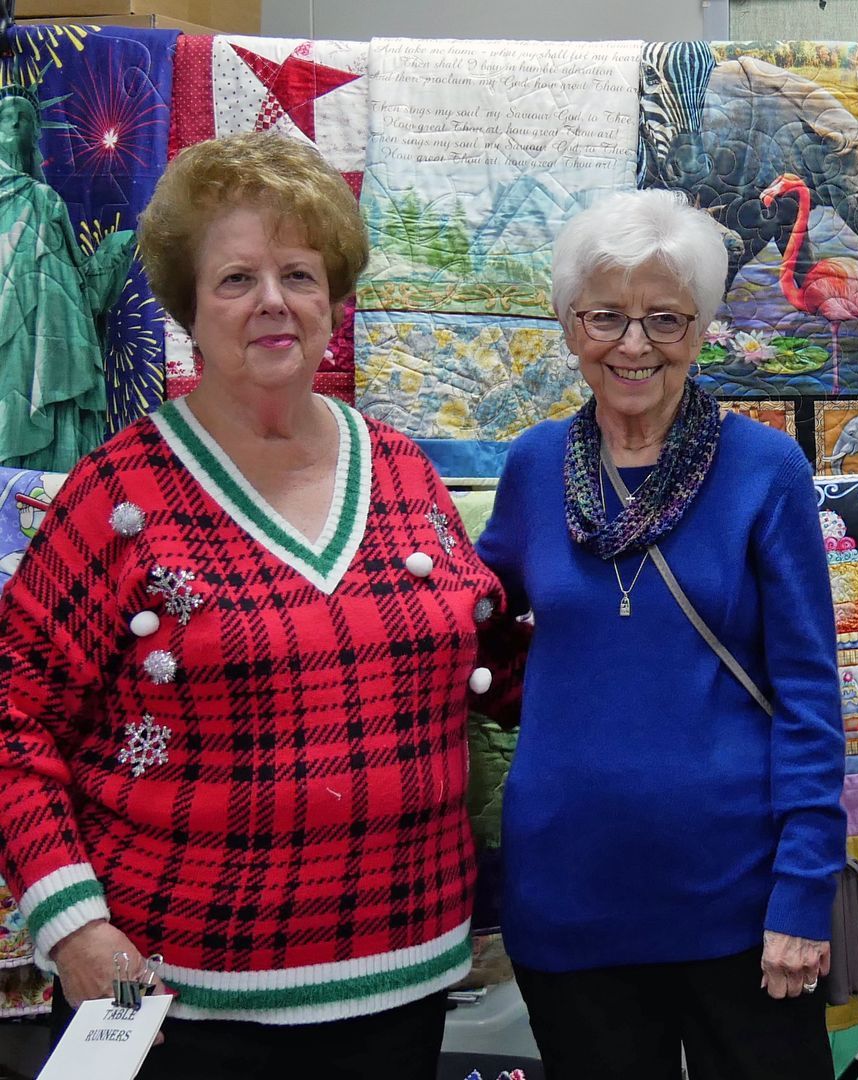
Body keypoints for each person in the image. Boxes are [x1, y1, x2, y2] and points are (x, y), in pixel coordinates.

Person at [0, 131, 502, 1076]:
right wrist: (72, 927)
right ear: (188, 308)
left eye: (299, 274)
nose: (273, 300)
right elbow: (11, 716)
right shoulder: (117, 497)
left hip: (405, 982)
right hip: (172, 998)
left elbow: (491, 662)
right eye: (236, 279)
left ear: (333, 300)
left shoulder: (405, 473)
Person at [475, 188, 844, 1079]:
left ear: (703, 328)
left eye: (666, 319)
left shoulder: (764, 468)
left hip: (739, 902)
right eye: (606, 316)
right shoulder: (532, 467)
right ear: (569, 325)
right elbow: (468, 621)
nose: (634, 345)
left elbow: (809, 694)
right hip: (568, 896)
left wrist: (804, 890)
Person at [0, 77, 130, 469]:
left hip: (49, 339)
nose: (15, 124)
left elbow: (78, 289)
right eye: (5, 116)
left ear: (35, 132)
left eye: (24, 118)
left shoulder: (44, 198)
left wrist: (112, 255)